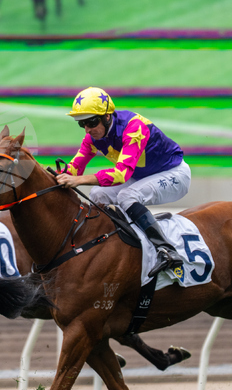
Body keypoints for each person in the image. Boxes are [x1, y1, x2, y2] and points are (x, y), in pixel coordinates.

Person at [57, 87, 191, 271]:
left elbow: (121, 175)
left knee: (127, 196)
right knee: (97, 194)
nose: (87, 129)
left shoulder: (134, 127)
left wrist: (79, 181)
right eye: (82, 124)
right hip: (141, 176)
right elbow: (74, 168)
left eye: (91, 122)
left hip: (175, 174)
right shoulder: (92, 137)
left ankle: (166, 250)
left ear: (107, 116)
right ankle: (116, 248)